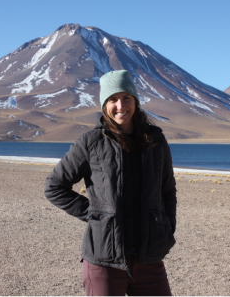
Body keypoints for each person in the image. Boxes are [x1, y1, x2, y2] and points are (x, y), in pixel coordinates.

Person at [45, 70, 177, 297]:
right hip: (104, 260)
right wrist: (95, 215)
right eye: (113, 99)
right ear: (104, 104)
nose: (120, 105)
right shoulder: (91, 142)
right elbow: (55, 187)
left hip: (149, 258)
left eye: (126, 98)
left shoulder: (155, 141)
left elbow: (167, 190)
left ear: (135, 101)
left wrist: (166, 225)